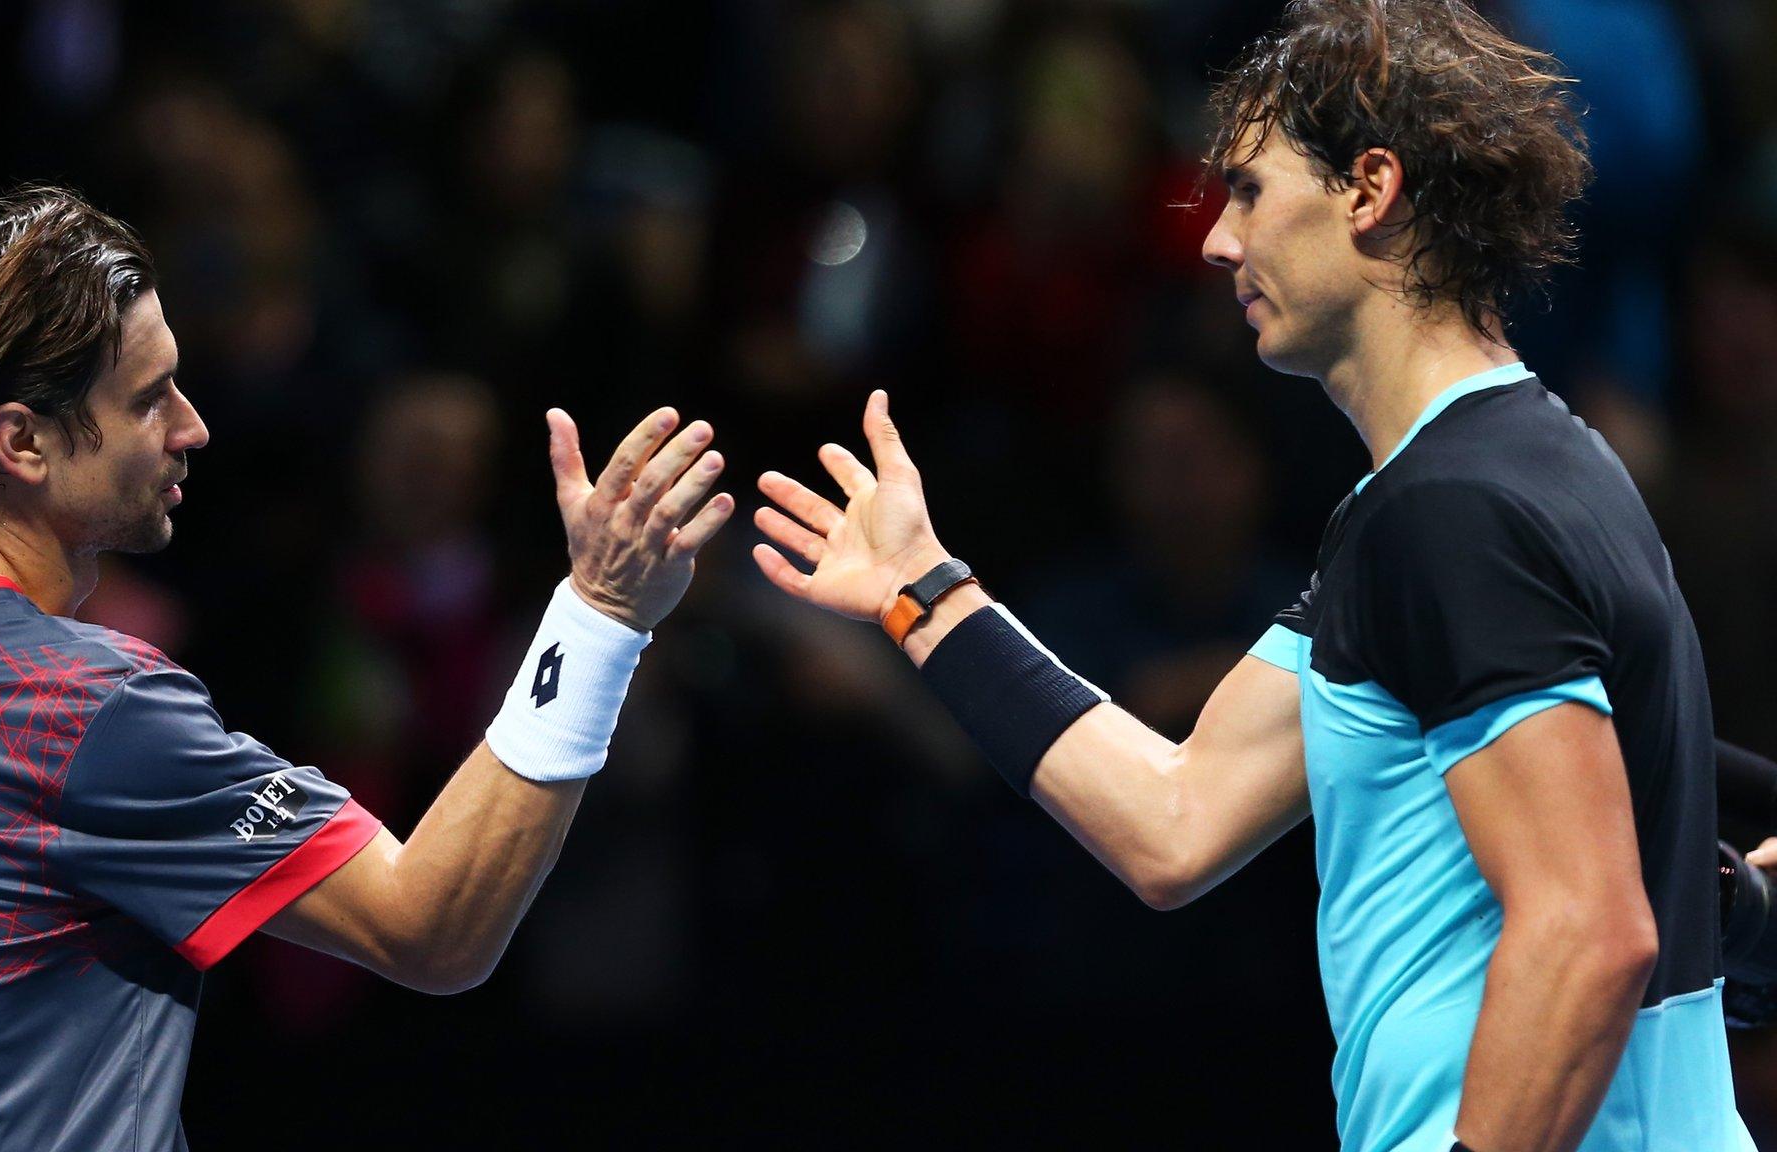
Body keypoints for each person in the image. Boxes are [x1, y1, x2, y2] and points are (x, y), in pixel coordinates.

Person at [749, 1, 1752, 1149]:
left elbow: (1586, 929)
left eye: (1248, 191)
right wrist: (921, 592)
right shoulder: (1485, 486)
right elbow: (1174, 823)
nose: (1216, 241)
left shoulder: (1455, 515)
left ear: (1368, 190)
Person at [0, 187, 734, 1151]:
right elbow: (434, 926)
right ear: (22, 443)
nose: (191, 427)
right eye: (147, 397)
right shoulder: (96, 707)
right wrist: (596, 614)